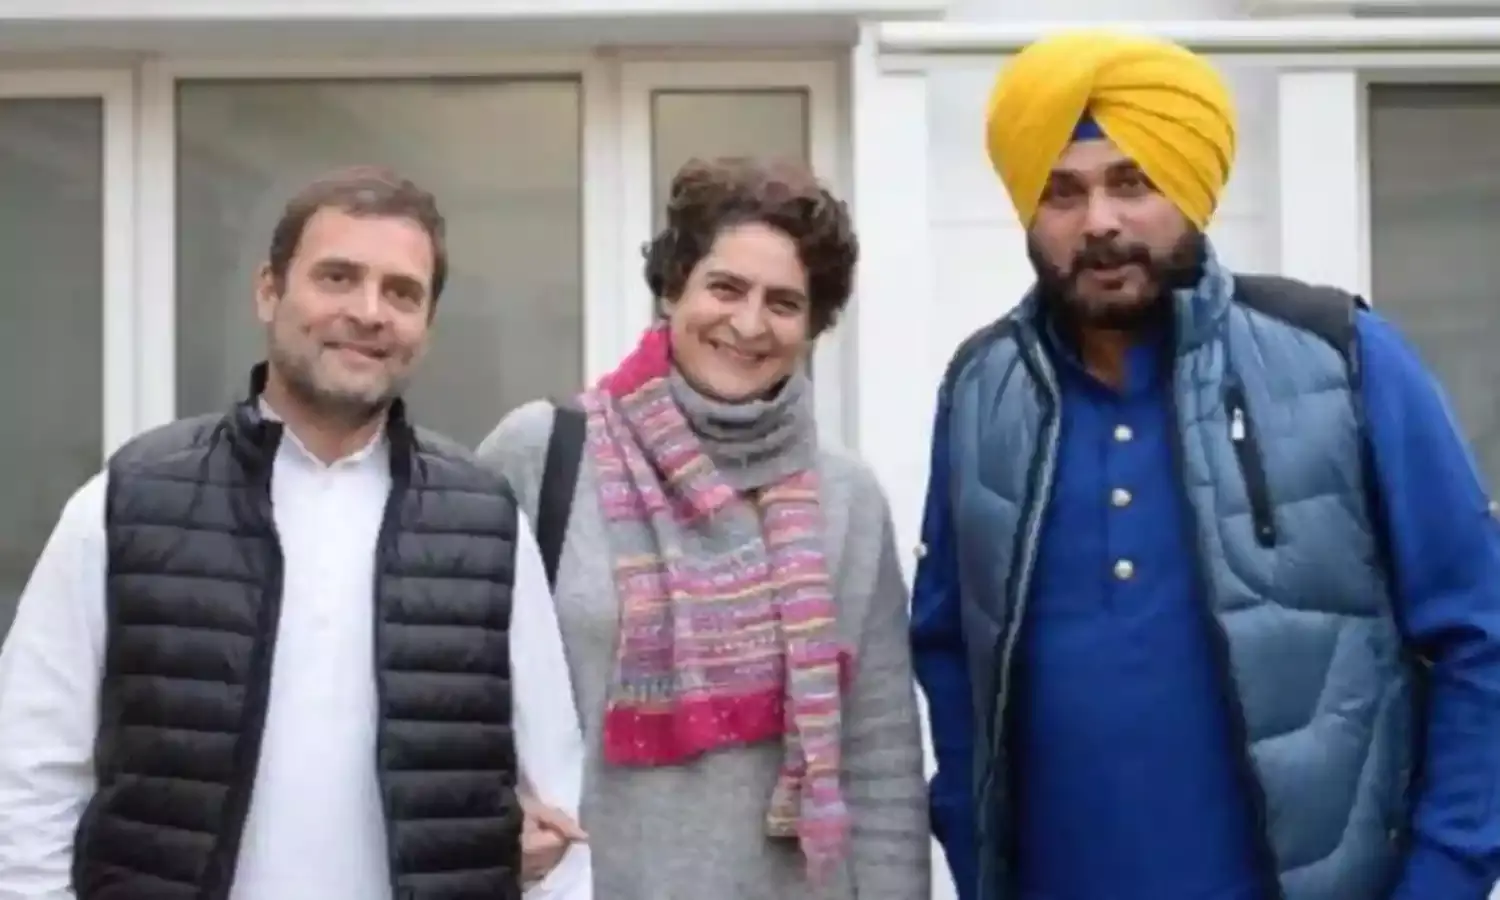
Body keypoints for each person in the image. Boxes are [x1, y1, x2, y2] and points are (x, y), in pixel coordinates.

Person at [912, 30, 1500, 900]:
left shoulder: (1338, 354)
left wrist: (1444, 877)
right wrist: (972, 853)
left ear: (1189, 189)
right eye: (1062, 191)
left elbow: (1479, 634)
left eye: (1132, 182)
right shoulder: (981, 388)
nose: (1099, 222)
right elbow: (948, 650)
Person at [0, 166, 541, 899]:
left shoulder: (486, 523)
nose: (369, 312)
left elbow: (553, 788)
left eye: (402, 292)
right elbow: (29, 770)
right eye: (338, 277)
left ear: (426, 325)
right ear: (268, 291)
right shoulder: (128, 500)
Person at [477, 157, 930, 900]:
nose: (749, 324)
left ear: (814, 325)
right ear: (673, 287)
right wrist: (494, 821)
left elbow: (880, 759)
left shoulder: (847, 498)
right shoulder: (543, 453)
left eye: (784, 302)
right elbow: (454, 693)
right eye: (725, 288)